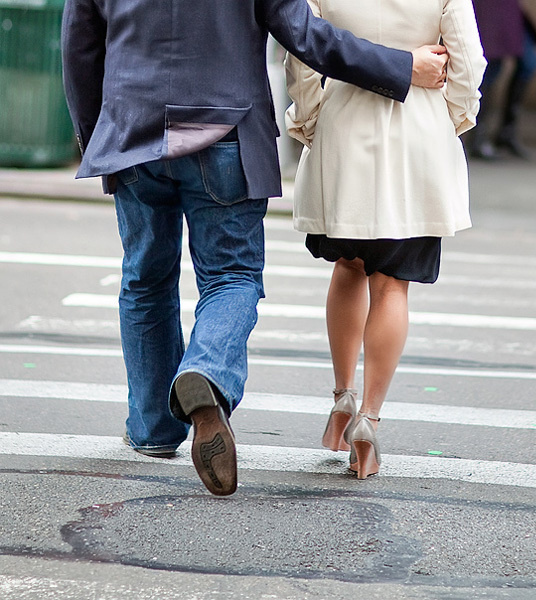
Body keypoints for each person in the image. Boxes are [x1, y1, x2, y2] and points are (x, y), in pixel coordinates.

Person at [60, 0, 449, 496]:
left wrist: (94, 136)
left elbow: (79, 46)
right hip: (225, 131)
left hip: (130, 129)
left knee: (144, 278)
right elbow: (306, 36)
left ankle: (154, 428)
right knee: (232, 278)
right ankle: (206, 373)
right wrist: (401, 66)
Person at [284, 0, 485, 479]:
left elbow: (302, 54)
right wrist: (451, 117)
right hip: (418, 132)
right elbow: (469, 61)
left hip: (344, 129)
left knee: (348, 267)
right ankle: (369, 419)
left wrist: (309, 120)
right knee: (392, 282)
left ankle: (342, 395)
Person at [467, 0, 536, 159]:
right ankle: (478, 135)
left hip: (508, 8)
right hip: (487, 8)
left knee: (529, 62)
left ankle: (506, 132)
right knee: (491, 65)